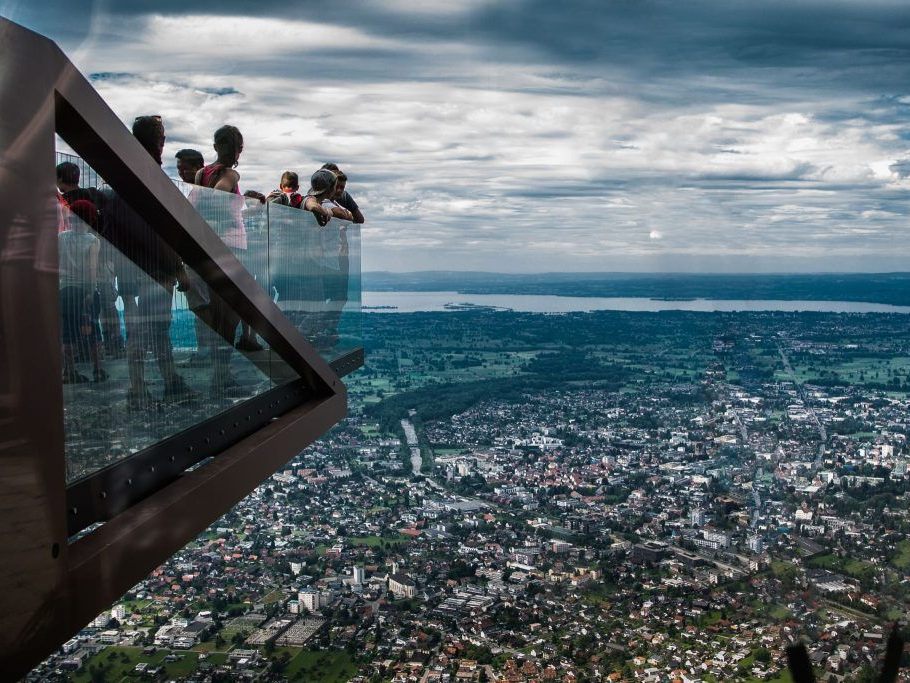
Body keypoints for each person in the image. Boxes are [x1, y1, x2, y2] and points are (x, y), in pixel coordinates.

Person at [102, 114, 195, 408]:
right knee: (153, 329)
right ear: (158, 141)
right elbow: (159, 231)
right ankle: (153, 385)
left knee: (143, 329)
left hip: (129, 267)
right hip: (153, 268)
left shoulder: (123, 173)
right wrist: (178, 268)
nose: (163, 141)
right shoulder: (148, 176)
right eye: (161, 136)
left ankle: (150, 383)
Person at [194, 125, 247, 393]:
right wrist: (223, 216)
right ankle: (222, 377)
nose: (235, 152)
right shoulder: (230, 174)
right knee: (230, 315)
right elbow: (216, 198)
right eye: (236, 147)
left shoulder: (201, 173)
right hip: (230, 247)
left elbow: (196, 204)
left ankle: (219, 374)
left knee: (218, 313)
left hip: (209, 247)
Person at [59, 199, 105, 383]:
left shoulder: (61, 238)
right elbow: (91, 269)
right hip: (84, 290)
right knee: (94, 331)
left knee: (68, 333)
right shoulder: (92, 241)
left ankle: (69, 371)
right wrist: (90, 292)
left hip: (65, 291)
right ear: (91, 219)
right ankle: (98, 369)